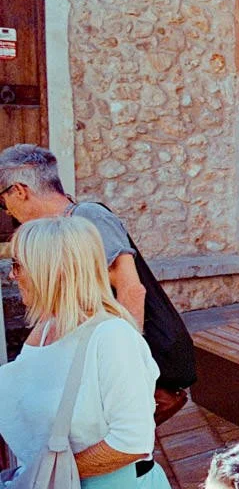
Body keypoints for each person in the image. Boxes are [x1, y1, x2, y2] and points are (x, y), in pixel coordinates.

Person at [0, 216, 191, 489]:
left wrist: (51, 477)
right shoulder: (43, 331)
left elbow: (131, 441)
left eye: (18, 265)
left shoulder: (112, 337)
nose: (12, 276)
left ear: (50, 268)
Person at [0, 144, 194, 423]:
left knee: (120, 440)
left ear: (19, 190)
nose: (6, 211)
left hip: (129, 351)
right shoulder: (60, 231)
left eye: (2, 200)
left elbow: (131, 289)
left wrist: (127, 364)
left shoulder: (88, 216)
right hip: (98, 354)